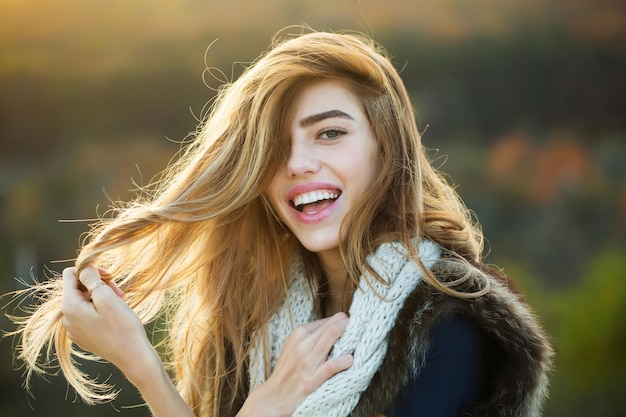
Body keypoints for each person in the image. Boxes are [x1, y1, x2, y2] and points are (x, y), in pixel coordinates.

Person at [12, 29, 554, 417]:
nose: (296, 163)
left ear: (386, 150)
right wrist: (142, 366)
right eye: (274, 147)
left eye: (330, 133)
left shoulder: (447, 326)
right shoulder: (255, 324)